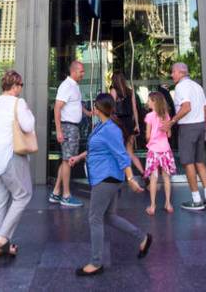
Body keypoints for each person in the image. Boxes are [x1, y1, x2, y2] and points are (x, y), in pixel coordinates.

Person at [69, 93, 152, 276]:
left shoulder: (110, 129)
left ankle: (96, 263)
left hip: (106, 178)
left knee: (95, 218)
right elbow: (95, 148)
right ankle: (143, 237)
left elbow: (122, 156)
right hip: (104, 177)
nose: (92, 108)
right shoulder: (102, 126)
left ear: (98, 109)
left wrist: (131, 179)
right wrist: (79, 157)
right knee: (109, 216)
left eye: (94, 106)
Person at [0, 70, 35, 258]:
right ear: (15, 86)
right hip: (10, 156)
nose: (21, 88)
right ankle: (2, 237)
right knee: (23, 195)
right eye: (21, 85)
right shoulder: (18, 103)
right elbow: (28, 126)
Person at [162, 62, 206, 211]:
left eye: (173, 72)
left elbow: (186, 107)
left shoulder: (181, 87)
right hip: (200, 126)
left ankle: (196, 200)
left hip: (188, 127)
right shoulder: (197, 86)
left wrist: (171, 122)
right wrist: (204, 127)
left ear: (180, 72)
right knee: (200, 162)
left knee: (188, 162)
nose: (172, 75)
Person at [50, 60, 90, 208]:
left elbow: (76, 104)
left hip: (72, 127)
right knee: (68, 160)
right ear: (74, 71)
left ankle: (56, 192)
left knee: (66, 160)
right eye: (81, 71)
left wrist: (88, 112)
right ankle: (66, 196)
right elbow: (57, 108)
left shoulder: (74, 86)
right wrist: (59, 130)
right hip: (68, 127)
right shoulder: (66, 86)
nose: (83, 73)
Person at [143, 91, 175, 214]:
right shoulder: (166, 116)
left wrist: (150, 138)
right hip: (165, 150)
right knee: (167, 177)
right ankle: (168, 203)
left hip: (154, 151)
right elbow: (169, 134)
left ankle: (152, 206)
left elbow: (147, 135)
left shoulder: (150, 116)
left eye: (149, 100)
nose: (148, 102)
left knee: (153, 178)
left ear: (154, 102)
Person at [109, 71, 144, 179]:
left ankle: (120, 177)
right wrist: (137, 124)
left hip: (119, 124)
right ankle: (144, 174)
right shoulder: (131, 92)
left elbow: (111, 109)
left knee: (116, 151)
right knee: (130, 152)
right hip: (130, 124)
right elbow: (134, 110)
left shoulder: (113, 91)